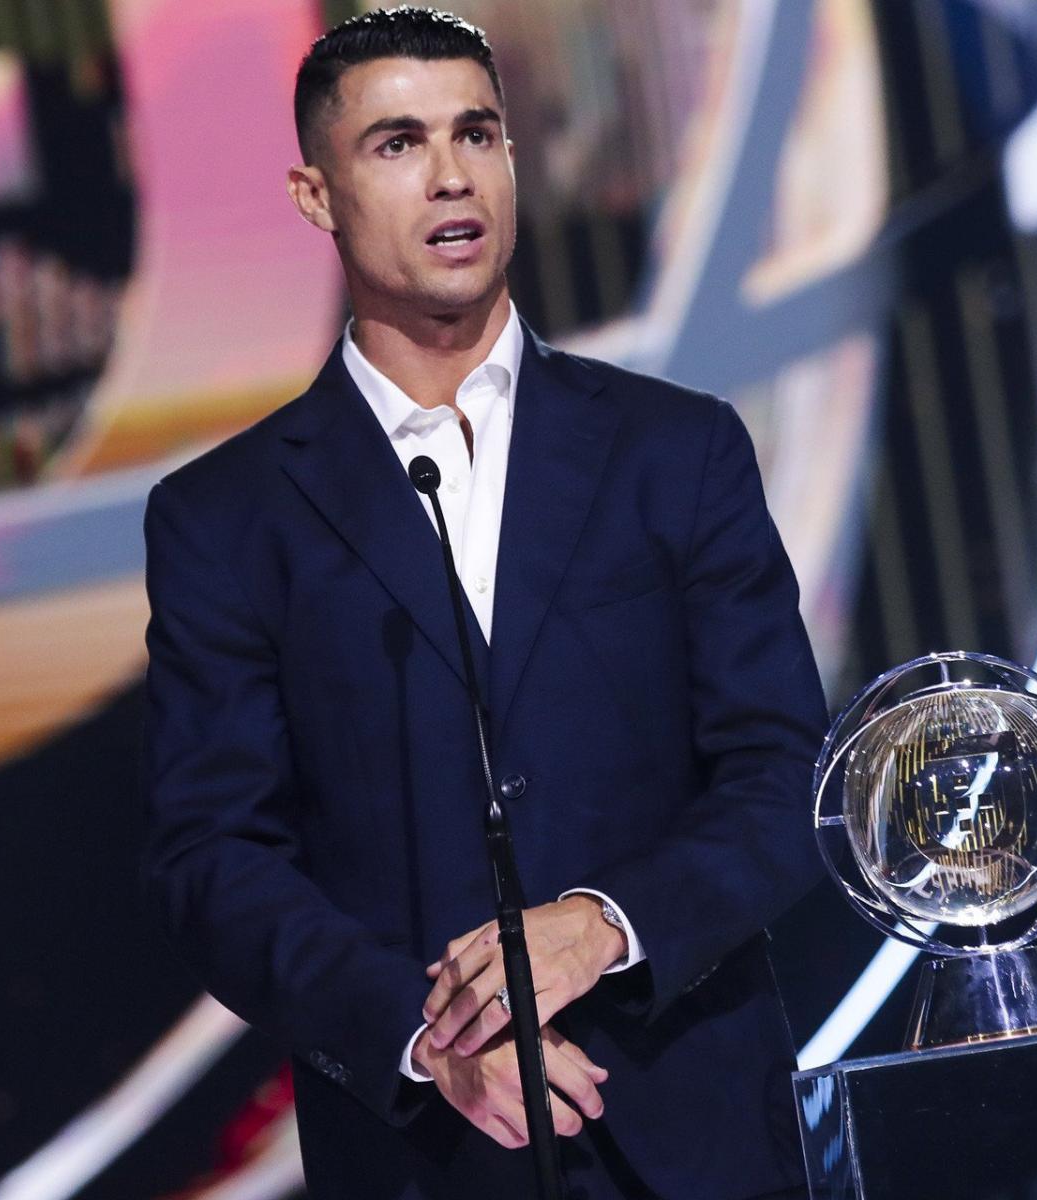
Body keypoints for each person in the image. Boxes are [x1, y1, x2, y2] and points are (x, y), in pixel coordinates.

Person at [139, 7, 828, 1197]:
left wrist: (606, 922)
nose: (451, 175)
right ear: (316, 196)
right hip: (428, 1153)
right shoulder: (226, 519)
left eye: (476, 133)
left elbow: (785, 778)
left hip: (695, 1139)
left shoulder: (676, 450)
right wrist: (426, 1038)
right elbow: (216, 860)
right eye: (397, 144)